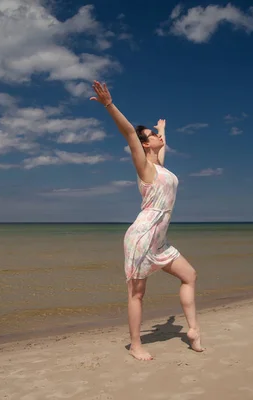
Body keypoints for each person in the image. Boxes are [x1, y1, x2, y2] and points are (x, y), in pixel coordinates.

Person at [90, 80, 204, 361]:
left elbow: (161, 150)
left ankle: (193, 330)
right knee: (137, 294)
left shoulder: (161, 167)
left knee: (189, 276)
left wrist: (162, 130)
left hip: (160, 241)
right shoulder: (144, 167)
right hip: (142, 235)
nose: (157, 137)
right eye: (152, 135)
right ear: (144, 144)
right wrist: (108, 105)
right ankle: (136, 345)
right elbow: (130, 132)